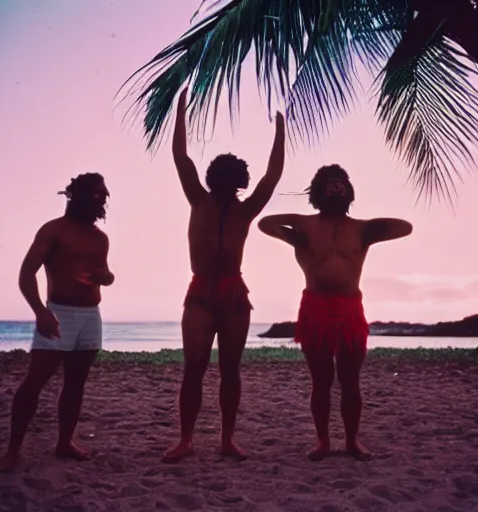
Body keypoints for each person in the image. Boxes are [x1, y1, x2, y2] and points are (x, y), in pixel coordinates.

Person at [258, 164, 413, 462]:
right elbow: (265, 224)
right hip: (315, 309)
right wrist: (298, 221)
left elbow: (404, 227)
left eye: (341, 183)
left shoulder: (361, 230)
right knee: (321, 380)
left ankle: (353, 441)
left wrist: (369, 225)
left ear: (348, 191)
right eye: (331, 184)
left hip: (350, 309)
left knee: (350, 380)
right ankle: (323, 442)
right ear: (318, 191)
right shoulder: (304, 228)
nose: (337, 188)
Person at [163, 88, 286, 462]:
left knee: (230, 368)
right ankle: (186, 439)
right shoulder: (198, 199)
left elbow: (273, 175)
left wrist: (281, 131)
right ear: (215, 176)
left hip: (233, 293)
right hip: (200, 292)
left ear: (238, 180)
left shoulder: (245, 210)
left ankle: (226, 438)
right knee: (194, 368)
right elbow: (181, 157)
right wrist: (180, 109)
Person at [0, 173, 114, 472]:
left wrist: (106, 278)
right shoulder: (53, 230)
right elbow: (26, 274)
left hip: (91, 316)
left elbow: (106, 275)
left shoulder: (100, 238)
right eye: (95, 194)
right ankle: (13, 450)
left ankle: (65, 443)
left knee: (76, 384)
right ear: (77, 196)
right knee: (35, 381)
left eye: (104, 195)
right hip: (58, 312)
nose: (101, 200)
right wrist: (41, 312)